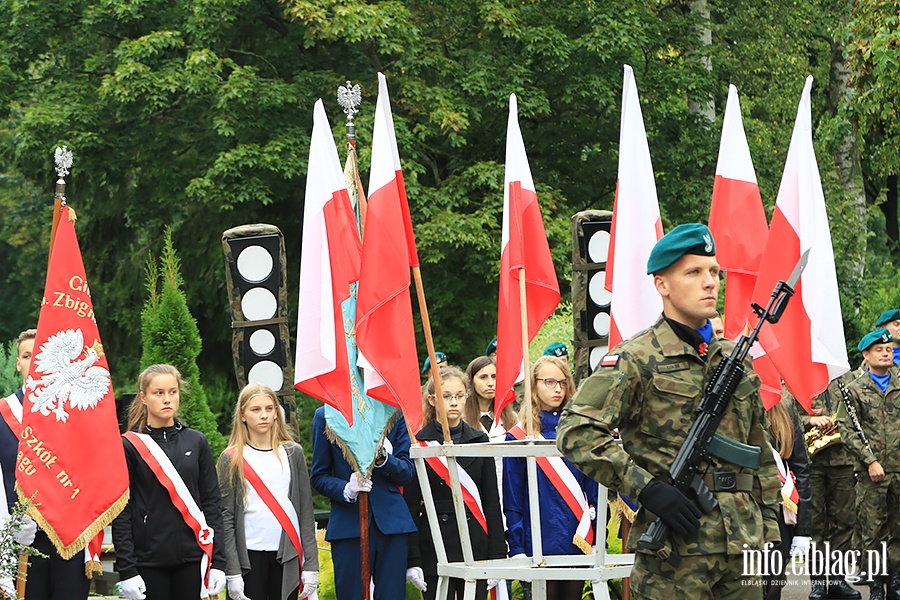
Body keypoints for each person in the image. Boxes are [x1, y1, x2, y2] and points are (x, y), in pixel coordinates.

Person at [557, 223, 782, 599]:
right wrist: (646, 489)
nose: (709, 282)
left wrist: (773, 541)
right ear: (662, 284)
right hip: (676, 557)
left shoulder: (734, 359)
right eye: (693, 272)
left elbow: (760, 454)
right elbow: (576, 431)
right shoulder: (636, 358)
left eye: (713, 271)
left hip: (746, 548)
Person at [112, 364, 227, 600]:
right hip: (148, 561)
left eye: (172, 392)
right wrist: (127, 569)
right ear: (143, 397)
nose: (167, 399)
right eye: (159, 393)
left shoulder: (196, 441)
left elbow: (212, 503)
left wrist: (219, 562)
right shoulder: (129, 446)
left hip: (192, 557)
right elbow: (121, 511)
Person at [404, 366, 507, 599]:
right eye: (446, 396)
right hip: (434, 545)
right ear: (432, 400)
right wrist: (413, 558)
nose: (453, 402)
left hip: (475, 541)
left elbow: (491, 500)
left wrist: (498, 553)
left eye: (459, 396)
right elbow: (410, 505)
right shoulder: (420, 442)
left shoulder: (480, 440)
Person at [503, 355, 598, 598]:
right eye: (549, 382)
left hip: (577, 537)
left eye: (563, 382)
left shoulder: (580, 430)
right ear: (534, 385)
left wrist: (597, 534)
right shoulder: (520, 435)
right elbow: (512, 496)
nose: (557, 388)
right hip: (538, 539)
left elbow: (593, 488)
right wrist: (517, 547)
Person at [217, 383, 319, 600]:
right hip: (249, 560)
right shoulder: (231, 458)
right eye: (256, 410)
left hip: (287, 556)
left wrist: (311, 564)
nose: (263, 415)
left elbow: (305, 513)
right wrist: (232, 571)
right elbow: (226, 518)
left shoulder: (293, 453)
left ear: (276, 413)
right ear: (242, 415)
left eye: (269, 408)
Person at [310, 406, 416, 600]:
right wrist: (346, 489)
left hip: (392, 524)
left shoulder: (393, 412)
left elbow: (407, 472)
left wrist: (383, 459)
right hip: (349, 524)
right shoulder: (326, 415)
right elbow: (319, 476)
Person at [839, 330, 900, 600]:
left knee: (899, 529)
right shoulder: (855, 389)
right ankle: (876, 585)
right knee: (873, 532)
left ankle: (896, 584)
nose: (886, 353)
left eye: (889, 349)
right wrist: (870, 460)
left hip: (899, 468)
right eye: (879, 349)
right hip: (872, 473)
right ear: (866, 355)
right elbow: (848, 429)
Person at [798, 374, 862, 600]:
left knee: (844, 523)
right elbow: (784, 413)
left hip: (844, 461)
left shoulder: (847, 379)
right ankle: (817, 583)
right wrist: (809, 420)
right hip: (811, 462)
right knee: (815, 525)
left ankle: (837, 580)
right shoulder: (801, 375)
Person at [0, 330, 40, 598]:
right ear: (18, 363)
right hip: (15, 537)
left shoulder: (71, 415)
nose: (34, 362)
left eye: (40, 356)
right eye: (27, 356)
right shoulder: (3, 414)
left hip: (64, 535)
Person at [762, 393, 812, 600]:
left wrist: (803, 530)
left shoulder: (783, 408)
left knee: (772, 585)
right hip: (738, 512)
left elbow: (800, 470)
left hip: (778, 513)